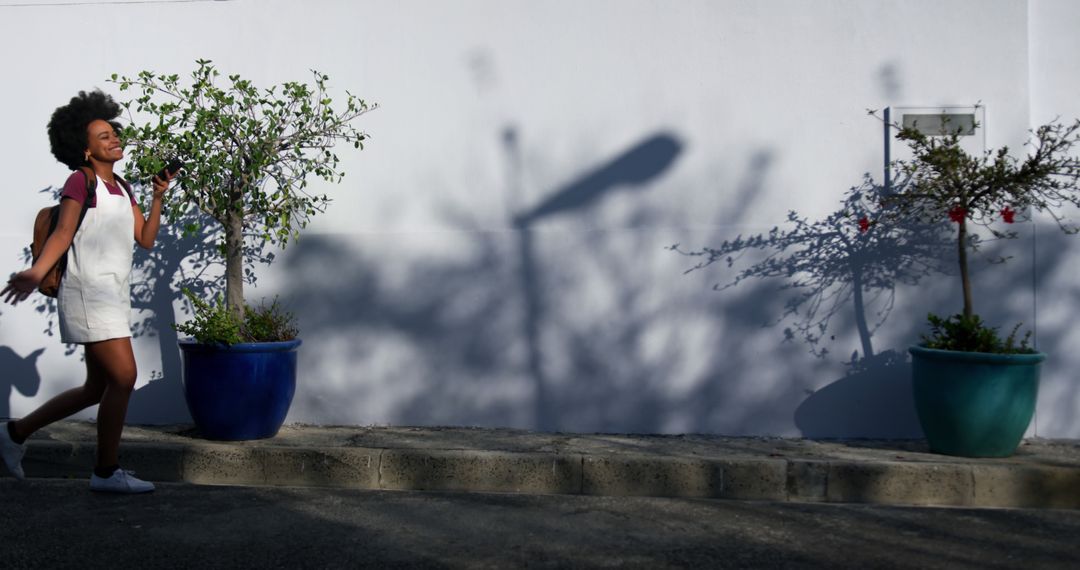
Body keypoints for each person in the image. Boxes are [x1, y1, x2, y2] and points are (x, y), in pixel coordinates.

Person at [0, 90, 172, 493]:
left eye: (114, 133)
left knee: (97, 387)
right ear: (85, 148)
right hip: (86, 292)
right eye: (103, 136)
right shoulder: (80, 181)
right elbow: (62, 233)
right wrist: (35, 271)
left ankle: (14, 434)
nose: (114, 140)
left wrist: (157, 196)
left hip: (112, 293)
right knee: (125, 376)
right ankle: (106, 471)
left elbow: (145, 238)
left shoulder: (123, 187)